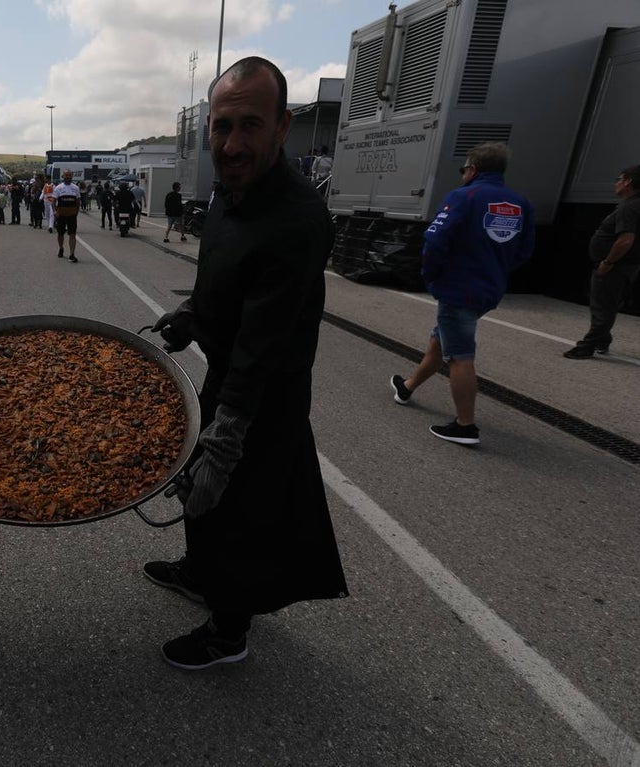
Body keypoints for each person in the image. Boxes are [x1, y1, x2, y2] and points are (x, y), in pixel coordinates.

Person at [146, 57, 348, 671]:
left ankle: (229, 630)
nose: (231, 143)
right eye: (221, 125)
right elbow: (223, 286)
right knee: (199, 486)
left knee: (238, 503)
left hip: (265, 395)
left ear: (283, 127)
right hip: (227, 370)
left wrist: (227, 437)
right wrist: (189, 319)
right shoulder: (232, 193)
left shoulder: (296, 218)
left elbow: (265, 341)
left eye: (250, 126)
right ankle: (200, 574)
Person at [389, 142, 535, 444]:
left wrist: (430, 276)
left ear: (472, 169)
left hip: (458, 288)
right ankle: (408, 386)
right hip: (488, 288)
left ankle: (465, 425)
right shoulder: (521, 203)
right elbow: (523, 251)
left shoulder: (463, 197)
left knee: (460, 356)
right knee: (439, 342)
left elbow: (436, 242)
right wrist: (495, 270)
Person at [563, 165, 639, 359]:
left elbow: (625, 239)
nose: (617, 183)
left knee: (603, 307)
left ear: (628, 182)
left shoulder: (629, 207)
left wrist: (608, 262)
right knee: (606, 304)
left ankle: (586, 346)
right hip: (626, 266)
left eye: (619, 179)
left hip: (615, 266)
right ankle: (602, 340)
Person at [51, 169, 82, 262]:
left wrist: (76, 212)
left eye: (69, 175)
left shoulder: (76, 188)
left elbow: (78, 201)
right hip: (61, 215)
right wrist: (55, 212)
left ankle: (72, 254)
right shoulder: (58, 188)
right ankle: (61, 248)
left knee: (72, 234)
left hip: (72, 215)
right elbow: (53, 201)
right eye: (66, 175)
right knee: (60, 234)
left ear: (72, 177)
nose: (67, 177)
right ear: (63, 177)